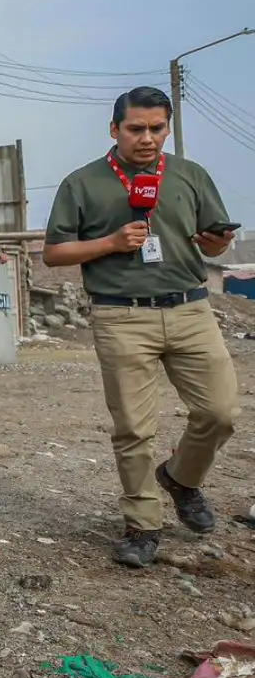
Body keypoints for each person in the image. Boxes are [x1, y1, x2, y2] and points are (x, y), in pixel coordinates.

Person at [43, 86, 239, 568]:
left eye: (157, 128)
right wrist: (110, 241)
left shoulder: (190, 175)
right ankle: (142, 525)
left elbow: (213, 247)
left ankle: (180, 479)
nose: (147, 138)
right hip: (120, 315)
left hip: (191, 309)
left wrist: (214, 243)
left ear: (166, 128)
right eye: (136, 129)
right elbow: (54, 253)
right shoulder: (82, 183)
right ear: (114, 129)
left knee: (220, 413)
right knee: (133, 427)